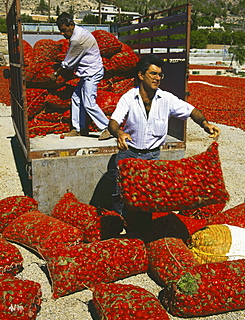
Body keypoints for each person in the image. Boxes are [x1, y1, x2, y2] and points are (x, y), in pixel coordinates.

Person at [108, 53, 221, 216]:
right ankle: (119, 224)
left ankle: (142, 227)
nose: (157, 78)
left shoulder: (167, 99)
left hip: (152, 157)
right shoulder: (128, 98)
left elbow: (191, 110)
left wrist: (205, 124)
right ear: (141, 75)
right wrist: (119, 133)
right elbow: (113, 122)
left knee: (147, 195)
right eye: (153, 73)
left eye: (160, 74)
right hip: (129, 154)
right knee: (120, 193)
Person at [50, 12, 111, 140]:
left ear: (71, 25)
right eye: (60, 31)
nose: (62, 33)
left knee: (89, 102)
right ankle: (78, 129)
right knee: (76, 98)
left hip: (92, 72)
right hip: (86, 73)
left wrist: (56, 73)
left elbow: (68, 62)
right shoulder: (77, 33)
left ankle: (107, 128)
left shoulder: (78, 39)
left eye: (64, 30)